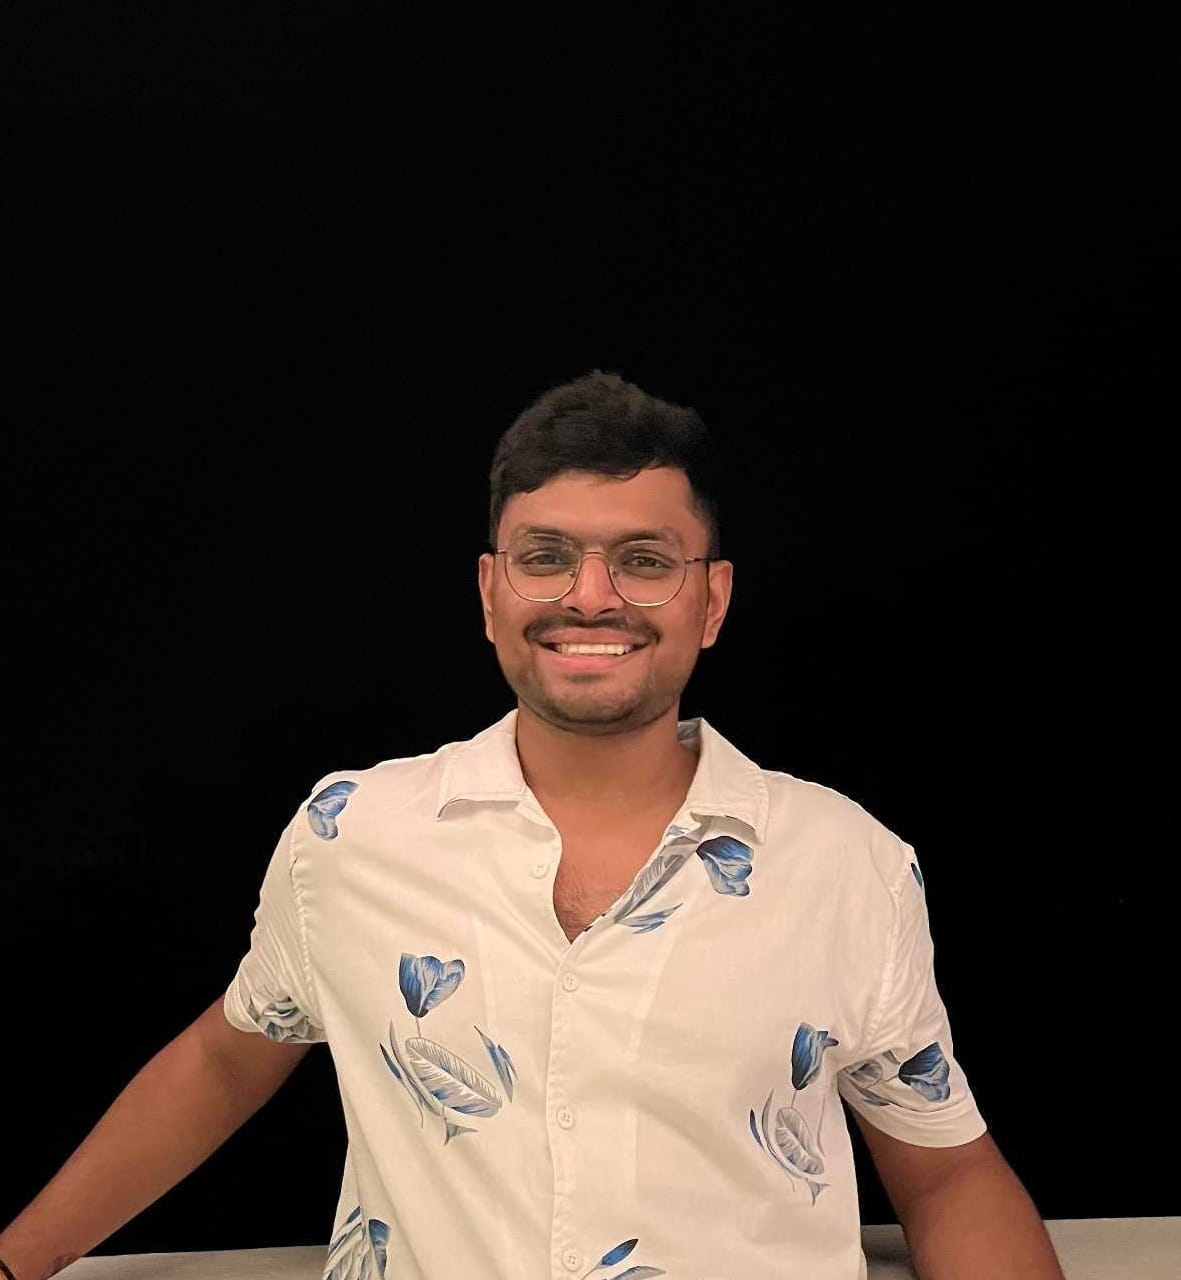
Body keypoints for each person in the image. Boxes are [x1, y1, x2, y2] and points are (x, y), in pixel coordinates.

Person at [0, 371, 1065, 1280]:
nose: (590, 597)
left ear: (711, 600)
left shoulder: (845, 863)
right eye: (544, 555)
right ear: (489, 592)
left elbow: (946, 1174)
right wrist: (15, 1259)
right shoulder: (351, 834)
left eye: (644, 559)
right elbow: (228, 1058)